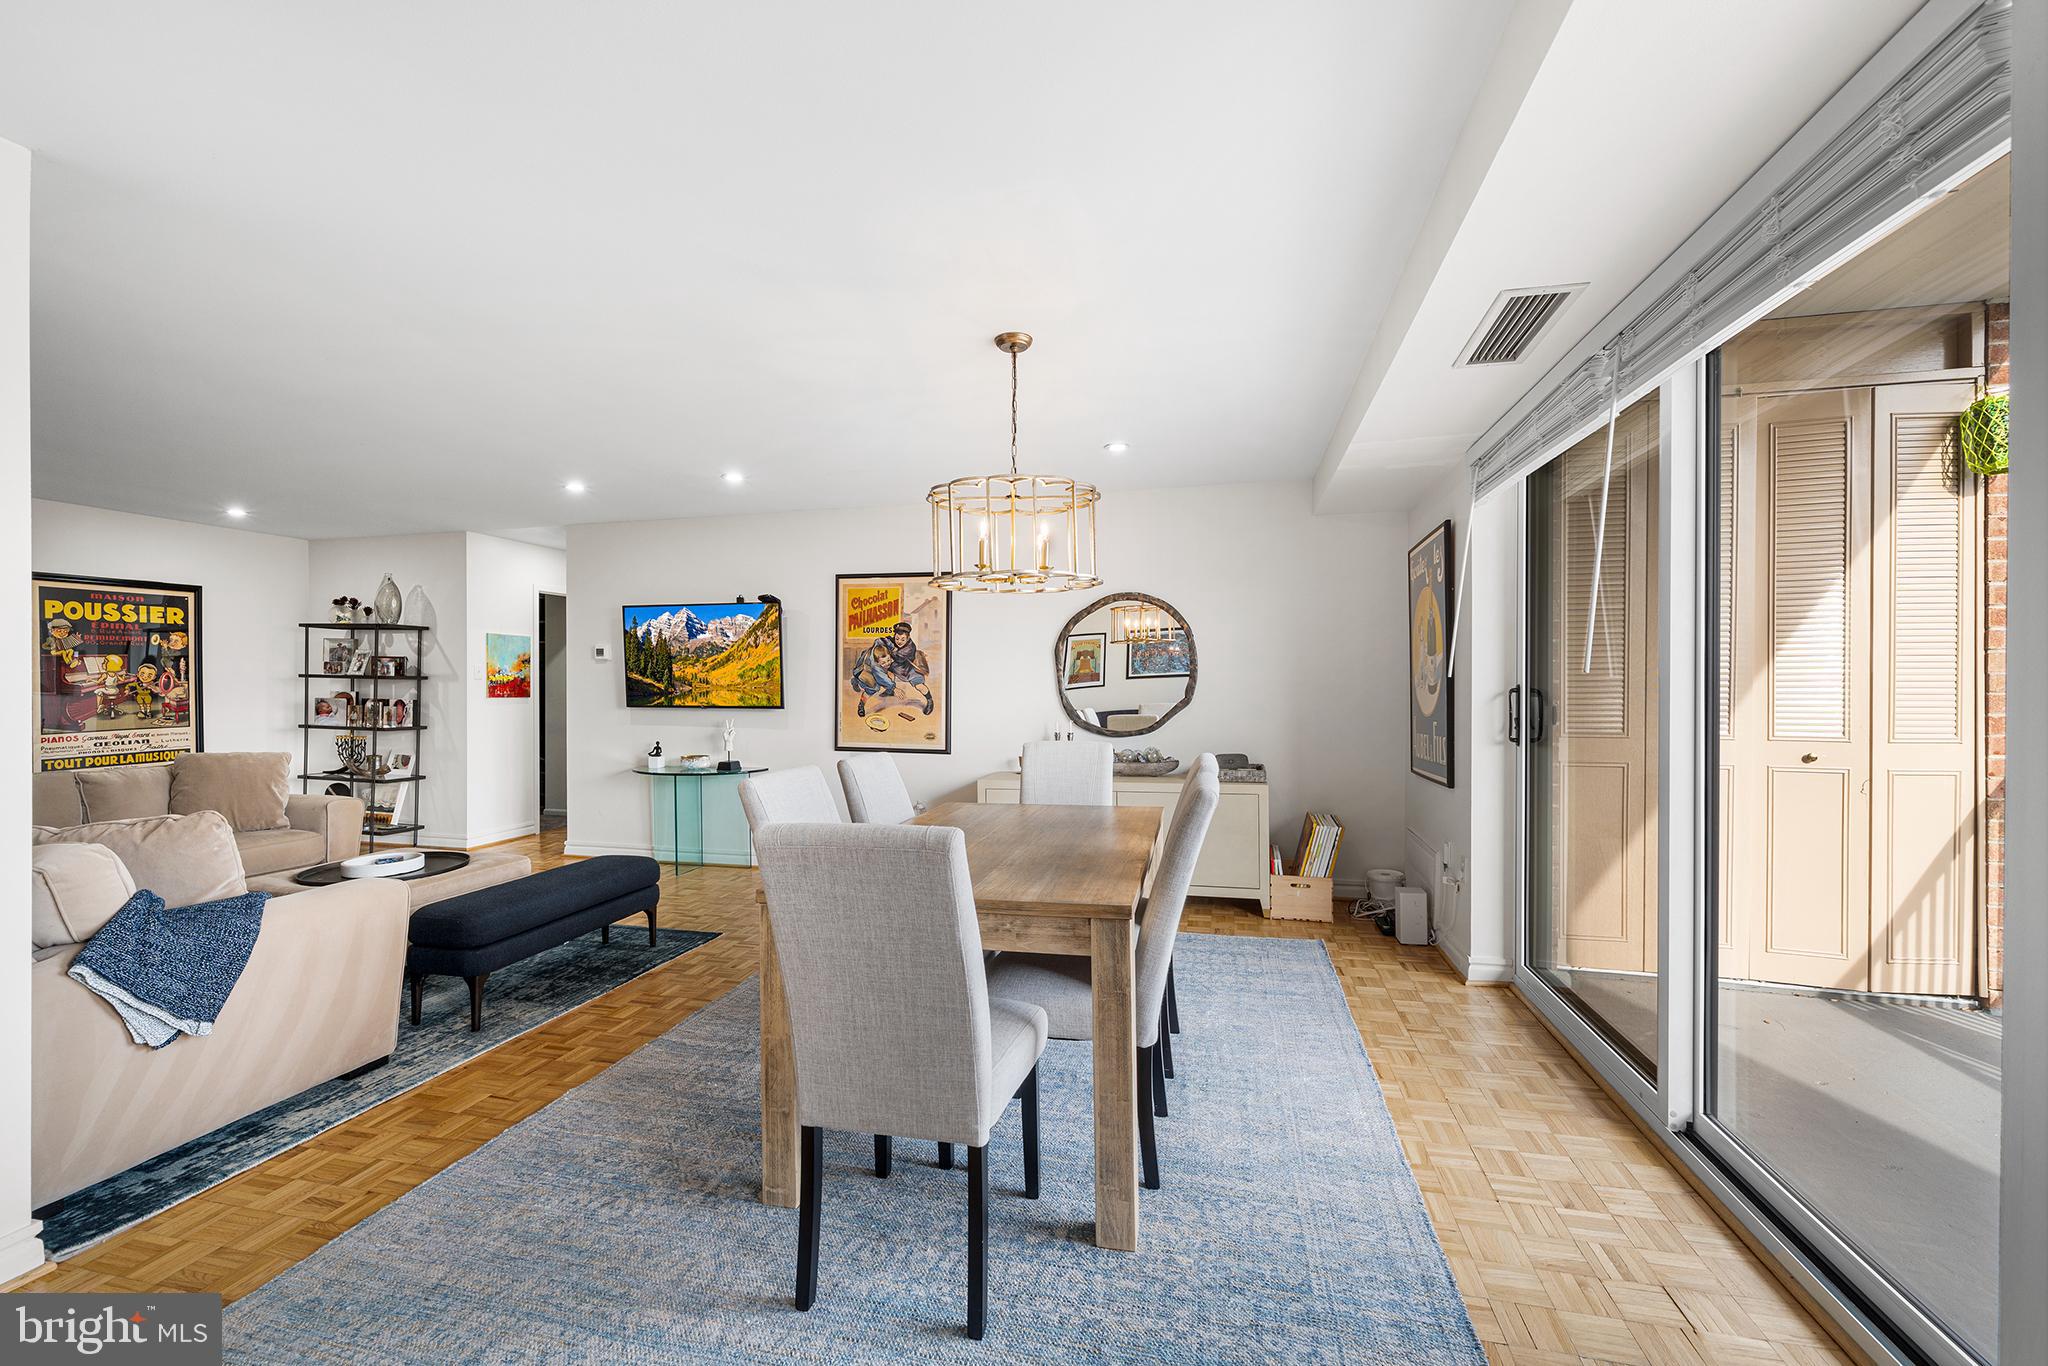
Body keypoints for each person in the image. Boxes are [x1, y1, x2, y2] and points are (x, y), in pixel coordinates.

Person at [848, 619, 935, 718]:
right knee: (871, 687)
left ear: (908, 638)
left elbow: (897, 657)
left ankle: (929, 700)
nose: (899, 642)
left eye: (903, 639)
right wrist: (893, 688)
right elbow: (880, 641)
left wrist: (890, 649)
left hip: (908, 670)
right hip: (879, 669)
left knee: (919, 685)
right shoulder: (876, 659)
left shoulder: (910, 648)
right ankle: (861, 703)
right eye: (897, 638)